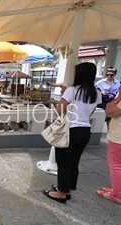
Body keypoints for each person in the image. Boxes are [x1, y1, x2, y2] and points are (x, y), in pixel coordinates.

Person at [43, 62, 101, 203]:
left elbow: (59, 111)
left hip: (69, 130)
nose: (73, 74)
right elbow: (90, 113)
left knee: (63, 162)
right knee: (74, 162)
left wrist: (64, 96)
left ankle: (61, 193)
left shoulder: (72, 90)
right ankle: (67, 189)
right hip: (85, 131)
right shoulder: (97, 93)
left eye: (75, 72)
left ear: (79, 74)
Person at [96, 87, 121, 204]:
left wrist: (119, 98)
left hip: (119, 138)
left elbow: (109, 111)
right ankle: (117, 188)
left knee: (115, 165)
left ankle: (117, 194)